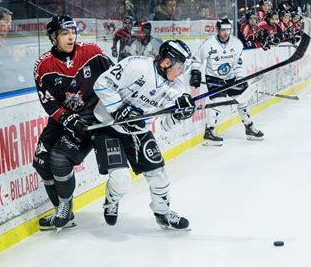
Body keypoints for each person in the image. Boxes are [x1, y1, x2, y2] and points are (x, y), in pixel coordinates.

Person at [92, 40, 194, 230]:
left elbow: (165, 124)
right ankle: (111, 201)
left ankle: (162, 213)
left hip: (139, 131)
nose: (182, 72)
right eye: (180, 67)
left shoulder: (177, 88)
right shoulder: (135, 65)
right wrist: (118, 109)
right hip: (107, 126)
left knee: (159, 176)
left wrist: (179, 115)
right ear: (166, 62)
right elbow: (102, 84)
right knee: (121, 179)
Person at [32, 15, 113, 231]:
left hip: (91, 115)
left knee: (59, 160)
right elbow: (48, 102)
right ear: (53, 37)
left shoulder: (92, 52)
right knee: (41, 163)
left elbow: (115, 78)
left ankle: (65, 206)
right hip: (62, 119)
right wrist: (66, 118)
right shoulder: (43, 66)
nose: (71, 37)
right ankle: (62, 211)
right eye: (65, 33)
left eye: (73, 32)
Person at [189, 17, 264, 146]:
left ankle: (249, 127)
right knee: (218, 103)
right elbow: (196, 60)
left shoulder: (236, 43)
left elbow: (238, 64)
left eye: (228, 30)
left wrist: (240, 78)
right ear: (218, 30)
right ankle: (209, 132)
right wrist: (195, 72)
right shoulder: (209, 44)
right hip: (214, 78)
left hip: (231, 78)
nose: (226, 33)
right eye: (223, 30)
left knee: (242, 100)